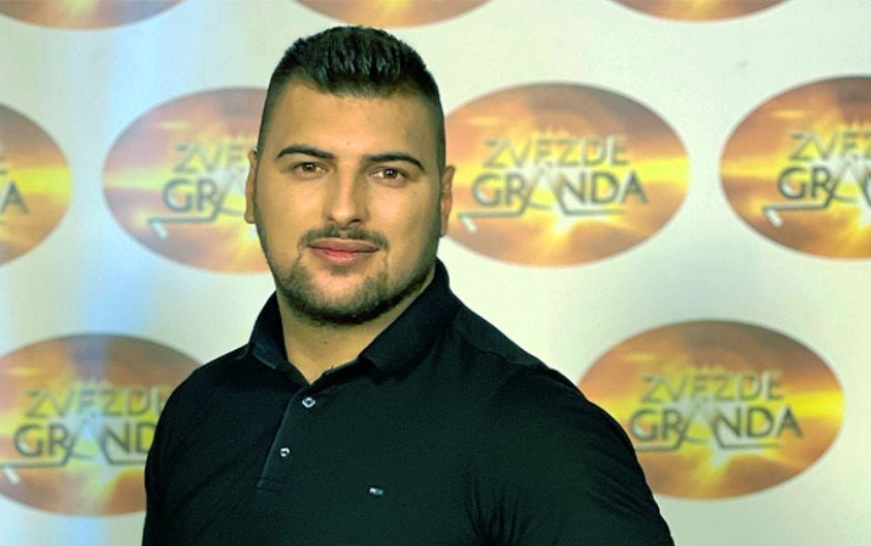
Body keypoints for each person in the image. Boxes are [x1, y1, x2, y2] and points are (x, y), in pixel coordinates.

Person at [142, 26, 673, 545]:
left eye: (388, 173)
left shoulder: (542, 434)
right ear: (253, 186)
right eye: (308, 167)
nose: (344, 209)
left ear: (443, 200)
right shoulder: (199, 407)